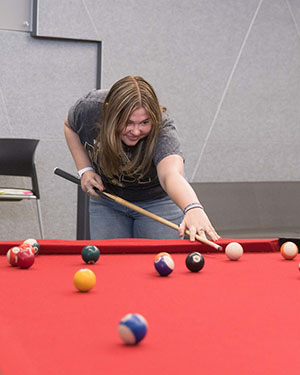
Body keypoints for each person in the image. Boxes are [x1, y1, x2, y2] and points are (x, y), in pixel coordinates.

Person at [64, 75, 220, 242]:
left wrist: (192, 207)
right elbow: (69, 126)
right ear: (109, 111)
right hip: (108, 200)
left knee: (161, 261)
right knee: (111, 263)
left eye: (144, 122)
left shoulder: (163, 129)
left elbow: (171, 175)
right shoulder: (89, 108)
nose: (136, 131)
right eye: (128, 122)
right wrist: (85, 170)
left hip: (158, 203)